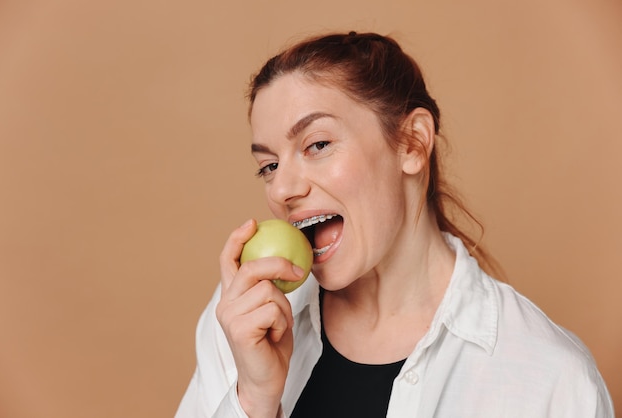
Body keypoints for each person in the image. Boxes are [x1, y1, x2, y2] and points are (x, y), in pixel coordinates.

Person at [175, 31, 614, 417]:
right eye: (268, 165)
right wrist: (253, 399)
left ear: (412, 143)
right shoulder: (245, 319)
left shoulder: (551, 379)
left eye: (318, 144)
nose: (281, 189)